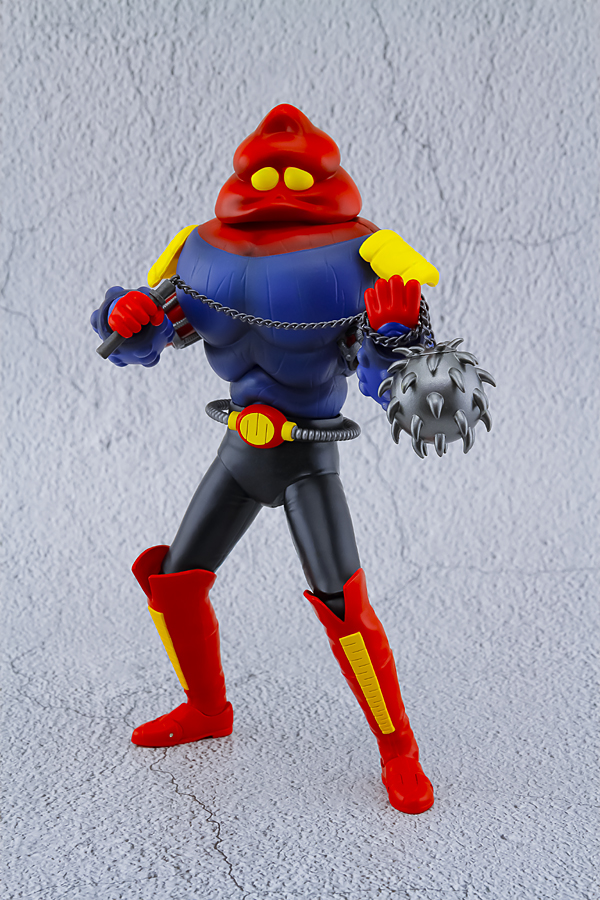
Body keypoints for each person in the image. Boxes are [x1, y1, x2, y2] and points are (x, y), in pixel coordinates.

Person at [91, 104, 440, 814]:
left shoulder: (360, 257)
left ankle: (398, 748)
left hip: (309, 455)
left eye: (295, 175)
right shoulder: (201, 252)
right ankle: (206, 709)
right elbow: (149, 338)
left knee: (344, 608)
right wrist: (127, 316)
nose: (278, 187)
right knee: (174, 582)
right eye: (265, 174)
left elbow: (391, 384)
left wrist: (395, 336)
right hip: (240, 447)